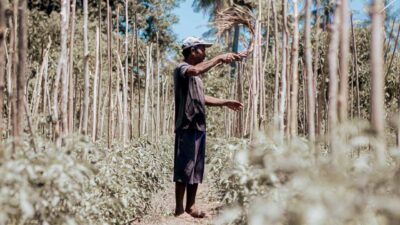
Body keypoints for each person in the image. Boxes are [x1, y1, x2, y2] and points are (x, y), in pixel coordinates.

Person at [173, 36, 244, 218]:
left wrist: (224, 102)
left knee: (196, 168)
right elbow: (194, 70)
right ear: (193, 51)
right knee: (184, 167)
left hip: (199, 126)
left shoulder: (197, 78)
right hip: (186, 126)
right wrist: (220, 58)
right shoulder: (182, 68)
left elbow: (202, 99)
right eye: (203, 48)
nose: (205, 52)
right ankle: (179, 209)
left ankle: (191, 206)